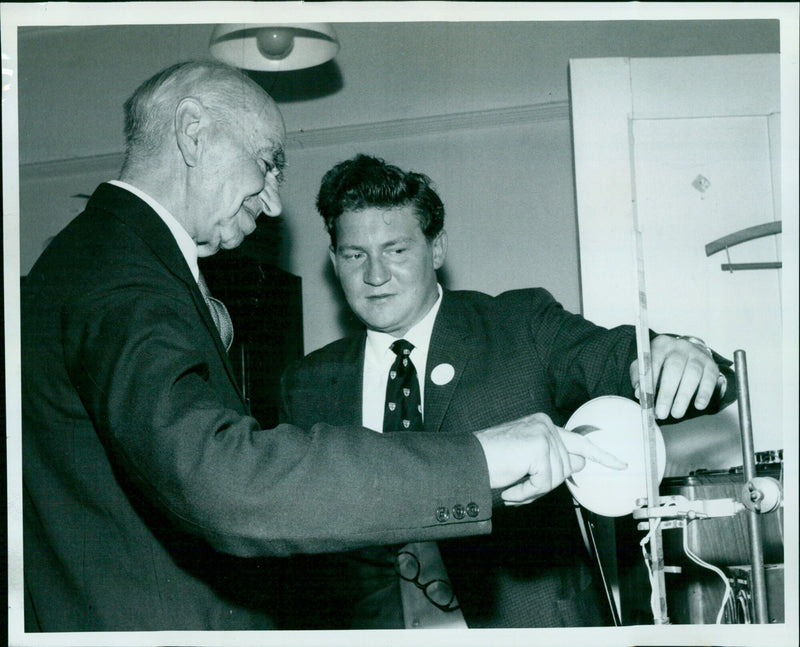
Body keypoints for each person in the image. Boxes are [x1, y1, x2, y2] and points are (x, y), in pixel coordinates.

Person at [20, 62, 623, 632]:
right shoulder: (125, 272)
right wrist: (481, 461)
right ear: (193, 132)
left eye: (396, 251)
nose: (274, 201)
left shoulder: (96, 258)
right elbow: (225, 479)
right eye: (266, 162)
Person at [278, 154, 737, 629]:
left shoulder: (520, 325)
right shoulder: (307, 384)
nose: (375, 275)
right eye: (355, 255)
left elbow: (615, 357)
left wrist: (677, 352)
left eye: (396, 250)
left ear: (436, 249)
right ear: (334, 262)